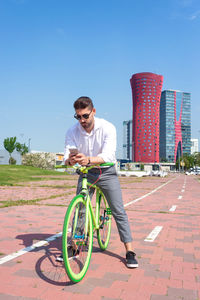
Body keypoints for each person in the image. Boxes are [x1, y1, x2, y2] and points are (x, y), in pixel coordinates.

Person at [57, 96, 138, 268]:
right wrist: (70, 161)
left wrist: (89, 159)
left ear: (93, 111)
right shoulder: (72, 131)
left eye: (85, 116)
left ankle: (130, 250)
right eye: (78, 117)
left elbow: (108, 155)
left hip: (106, 171)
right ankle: (75, 247)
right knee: (80, 209)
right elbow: (65, 156)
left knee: (118, 210)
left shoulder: (108, 127)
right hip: (87, 172)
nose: (82, 120)